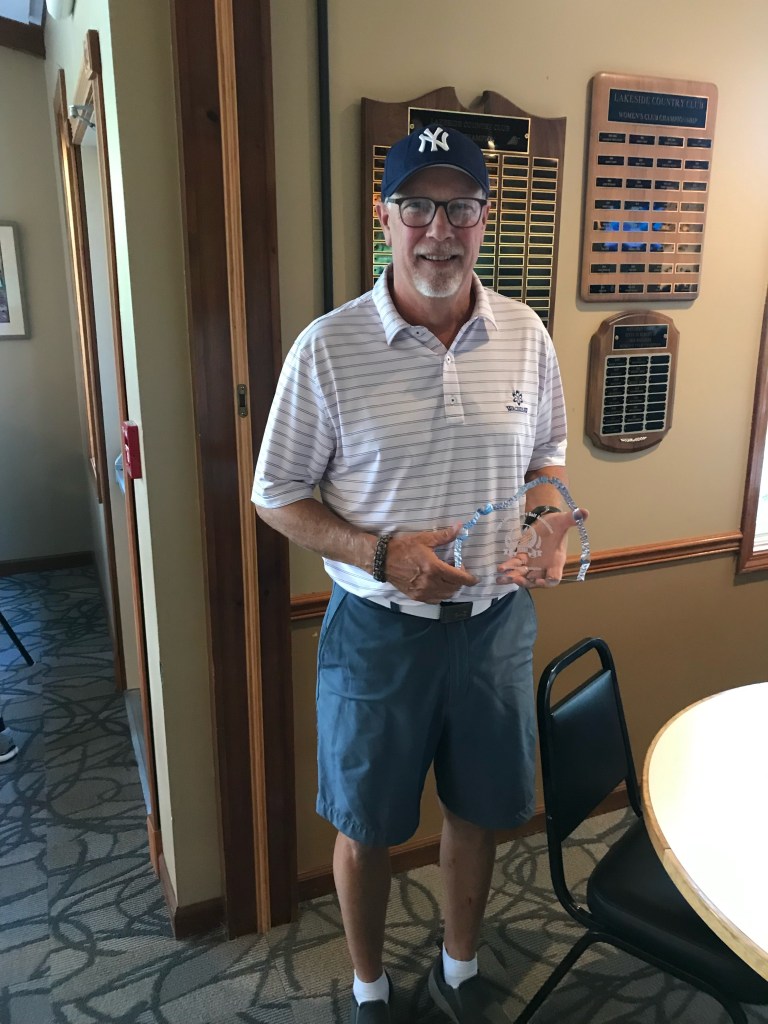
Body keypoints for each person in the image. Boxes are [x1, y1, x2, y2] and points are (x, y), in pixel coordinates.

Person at [252, 123, 586, 1024]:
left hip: (495, 627)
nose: (439, 230)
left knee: (479, 811)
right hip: (376, 635)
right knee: (364, 825)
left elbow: (546, 457)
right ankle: (369, 989)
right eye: (417, 207)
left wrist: (549, 519)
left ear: (487, 217)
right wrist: (379, 554)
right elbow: (274, 496)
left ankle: (461, 968)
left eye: (460, 207)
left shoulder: (526, 334)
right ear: (384, 216)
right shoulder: (327, 348)